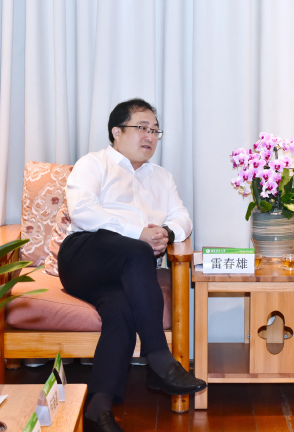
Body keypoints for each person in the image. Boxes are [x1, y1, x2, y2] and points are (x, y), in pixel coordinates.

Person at [58, 98, 206, 432]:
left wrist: (166, 232)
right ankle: (159, 358)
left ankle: (99, 406)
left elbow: (182, 217)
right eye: (142, 127)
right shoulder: (93, 164)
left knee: (121, 310)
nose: (150, 136)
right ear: (116, 131)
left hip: (126, 276)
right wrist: (138, 234)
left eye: (155, 130)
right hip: (84, 258)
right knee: (139, 251)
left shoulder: (162, 177)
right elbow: (83, 211)